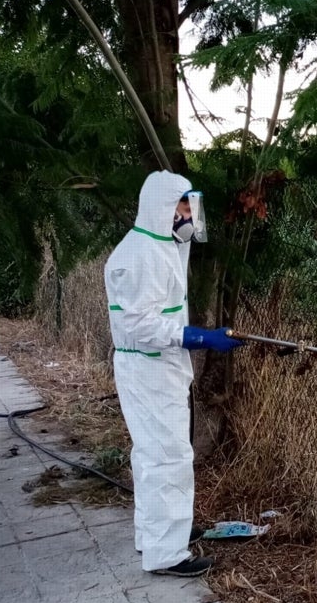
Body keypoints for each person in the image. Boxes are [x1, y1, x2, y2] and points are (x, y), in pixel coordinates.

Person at [104, 170, 244, 577]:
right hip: (148, 370)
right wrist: (198, 338)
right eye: (184, 205)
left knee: (153, 453)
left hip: (155, 369)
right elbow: (140, 325)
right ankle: (167, 552)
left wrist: (193, 339)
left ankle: (160, 533)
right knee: (168, 456)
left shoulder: (159, 246)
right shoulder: (140, 255)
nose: (189, 214)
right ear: (163, 206)